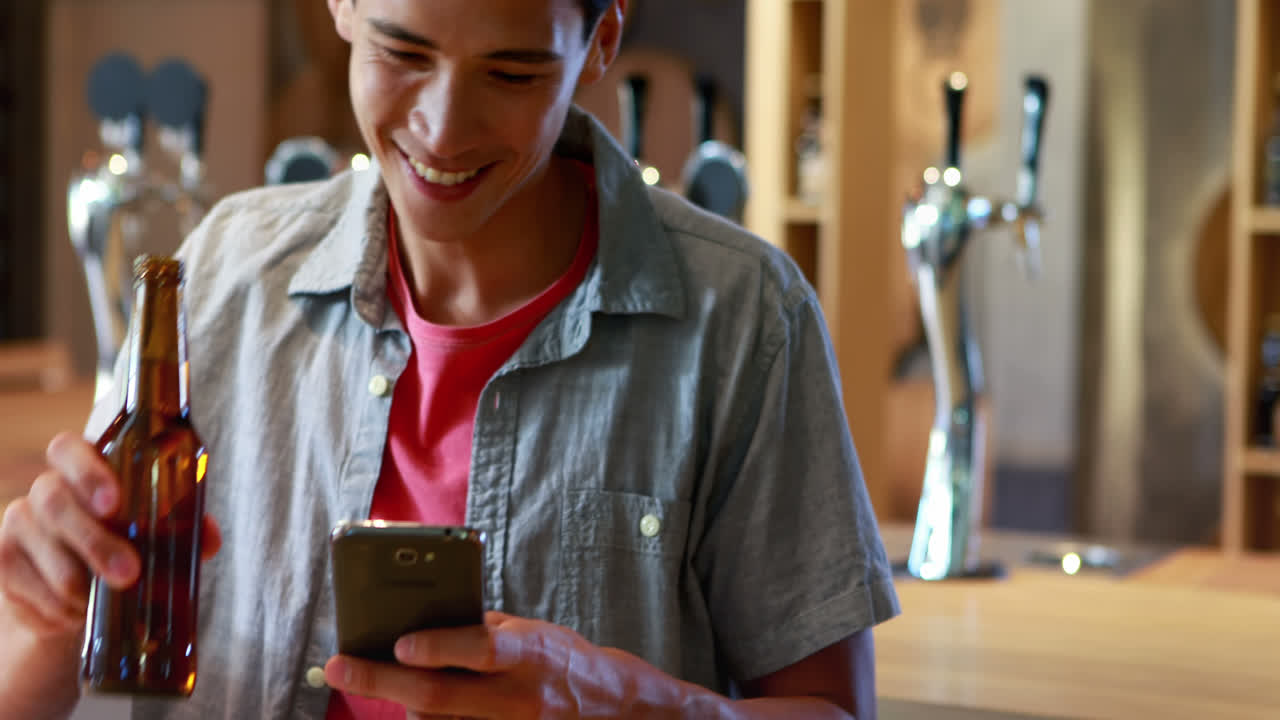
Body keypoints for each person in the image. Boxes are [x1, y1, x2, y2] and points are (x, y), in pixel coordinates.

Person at [0, 0, 901, 718]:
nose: (442, 129)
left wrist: (629, 704)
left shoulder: (743, 317)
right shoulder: (222, 274)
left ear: (600, 43)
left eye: (512, 71)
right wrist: (45, 630)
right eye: (401, 53)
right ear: (344, 7)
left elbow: (828, 710)